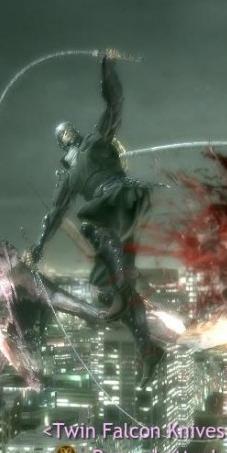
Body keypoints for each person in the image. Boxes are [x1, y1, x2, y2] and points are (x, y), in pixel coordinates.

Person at [30, 54, 164, 387]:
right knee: (117, 291)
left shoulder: (94, 142)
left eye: (68, 132)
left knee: (92, 226)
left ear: (74, 134)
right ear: (61, 147)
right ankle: (148, 350)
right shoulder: (69, 177)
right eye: (62, 137)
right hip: (117, 218)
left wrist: (108, 67)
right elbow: (54, 214)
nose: (67, 137)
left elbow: (114, 104)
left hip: (119, 201)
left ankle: (120, 286)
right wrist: (38, 246)